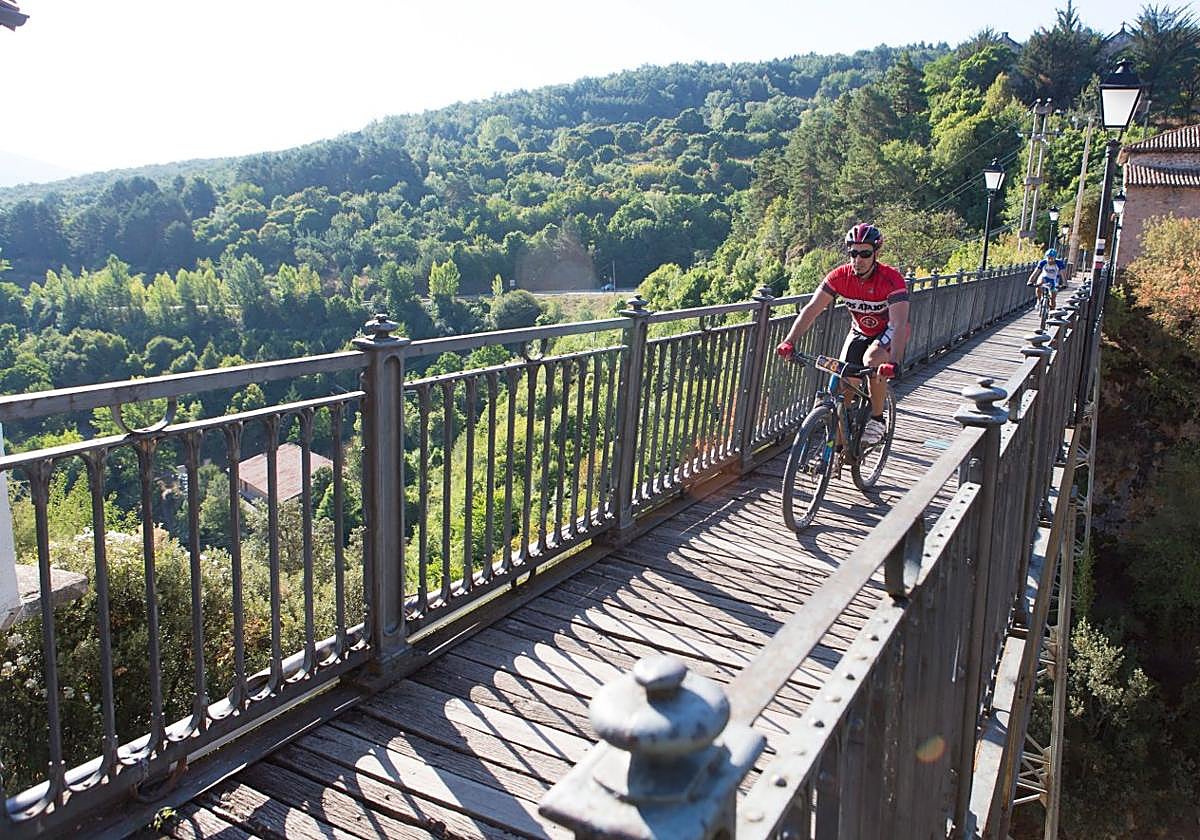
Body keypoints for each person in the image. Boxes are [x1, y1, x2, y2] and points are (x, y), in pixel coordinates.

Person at [775, 223, 909, 446]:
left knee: (871, 359)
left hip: (889, 332)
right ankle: (836, 451)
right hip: (859, 332)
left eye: (865, 253)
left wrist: (893, 361)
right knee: (843, 393)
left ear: (876, 253)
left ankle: (877, 420)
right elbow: (811, 309)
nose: (858, 259)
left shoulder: (891, 279)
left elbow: (899, 322)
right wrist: (789, 341)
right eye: (853, 253)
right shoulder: (840, 277)